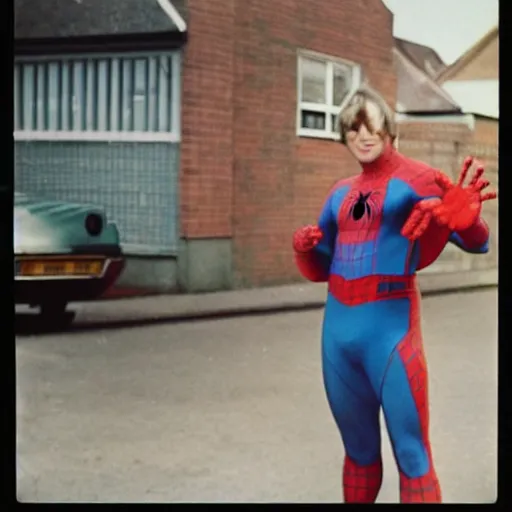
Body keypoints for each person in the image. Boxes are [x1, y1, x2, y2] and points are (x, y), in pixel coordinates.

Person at [292, 85, 496, 504]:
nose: (363, 137)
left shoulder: (418, 178)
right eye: (353, 130)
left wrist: (470, 222)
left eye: (372, 127)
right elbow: (321, 268)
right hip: (338, 337)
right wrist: (304, 250)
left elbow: (478, 242)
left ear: (389, 129)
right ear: (345, 136)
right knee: (359, 455)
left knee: (412, 455)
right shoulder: (338, 193)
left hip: (391, 336)